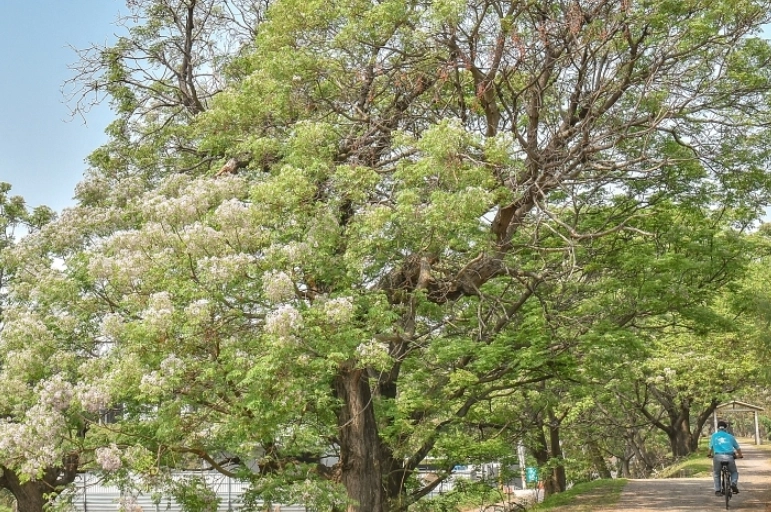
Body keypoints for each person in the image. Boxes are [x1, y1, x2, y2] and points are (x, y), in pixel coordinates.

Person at [707, 420, 743, 496]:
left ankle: (717, 490)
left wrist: (709, 454)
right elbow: (738, 448)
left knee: (716, 473)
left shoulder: (714, 436)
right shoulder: (730, 436)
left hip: (717, 457)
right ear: (726, 428)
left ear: (718, 428)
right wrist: (740, 455)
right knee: (734, 472)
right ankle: (733, 483)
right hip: (729, 457)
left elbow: (710, 448)